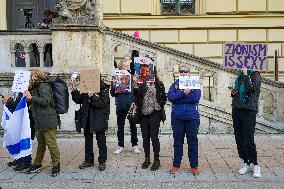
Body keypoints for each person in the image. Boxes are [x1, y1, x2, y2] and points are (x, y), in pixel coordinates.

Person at [23, 69, 61, 177]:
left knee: (51, 144)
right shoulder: (35, 87)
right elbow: (37, 102)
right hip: (40, 120)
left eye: (29, 77)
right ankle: (37, 164)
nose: (28, 80)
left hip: (48, 119)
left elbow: (46, 101)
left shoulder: (43, 85)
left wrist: (31, 97)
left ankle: (56, 164)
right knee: (41, 144)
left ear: (34, 76)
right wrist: (29, 100)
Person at [167, 65, 201, 175]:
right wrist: (182, 93)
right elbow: (170, 97)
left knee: (193, 142)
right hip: (178, 117)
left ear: (188, 73)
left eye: (185, 72)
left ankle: (194, 166)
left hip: (192, 118)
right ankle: (176, 165)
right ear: (179, 73)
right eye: (181, 71)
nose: (183, 73)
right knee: (177, 142)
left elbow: (195, 98)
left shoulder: (194, 84)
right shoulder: (175, 84)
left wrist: (180, 97)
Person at [70, 78, 110, 171]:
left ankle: (102, 161)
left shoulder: (104, 89)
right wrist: (74, 91)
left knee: (101, 141)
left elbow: (102, 103)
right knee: (88, 140)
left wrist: (93, 96)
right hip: (87, 117)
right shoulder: (86, 88)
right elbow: (79, 100)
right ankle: (89, 160)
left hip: (99, 118)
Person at [133, 66, 167, 171]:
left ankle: (156, 159)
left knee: (154, 137)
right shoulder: (139, 83)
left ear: (152, 72)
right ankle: (147, 158)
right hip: (143, 115)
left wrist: (157, 105)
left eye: (148, 71)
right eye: (143, 71)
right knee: (145, 138)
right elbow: (135, 97)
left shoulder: (158, 83)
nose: (145, 73)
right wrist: (136, 85)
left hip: (155, 114)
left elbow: (164, 98)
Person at [231, 66, 261, 178]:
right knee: (239, 138)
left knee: (248, 139)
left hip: (249, 111)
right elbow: (238, 91)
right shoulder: (239, 76)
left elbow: (251, 90)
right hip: (237, 109)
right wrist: (233, 93)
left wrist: (245, 75)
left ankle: (256, 164)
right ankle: (246, 162)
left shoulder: (255, 75)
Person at [110, 60, 140, 155]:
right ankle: (120, 146)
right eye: (126, 66)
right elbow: (113, 94)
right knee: (120, 126)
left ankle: (135, 145)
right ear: (121, 68)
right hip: (120, 105)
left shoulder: (132, 77)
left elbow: (137, 92)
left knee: (133, 125)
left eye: (128, 66)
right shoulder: (115, 78)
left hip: (131, 105)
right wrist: (115, 86)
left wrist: (136, 84)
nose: (128, 67)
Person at [1, 93, 33, 172]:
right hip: (19, 121)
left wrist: (8, 101)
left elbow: (18, 106)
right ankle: (20, 158)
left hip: (25, 120)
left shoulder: (25, 89)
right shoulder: (18, 90)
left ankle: (26, 162)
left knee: (24, 140)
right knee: (17, 139)